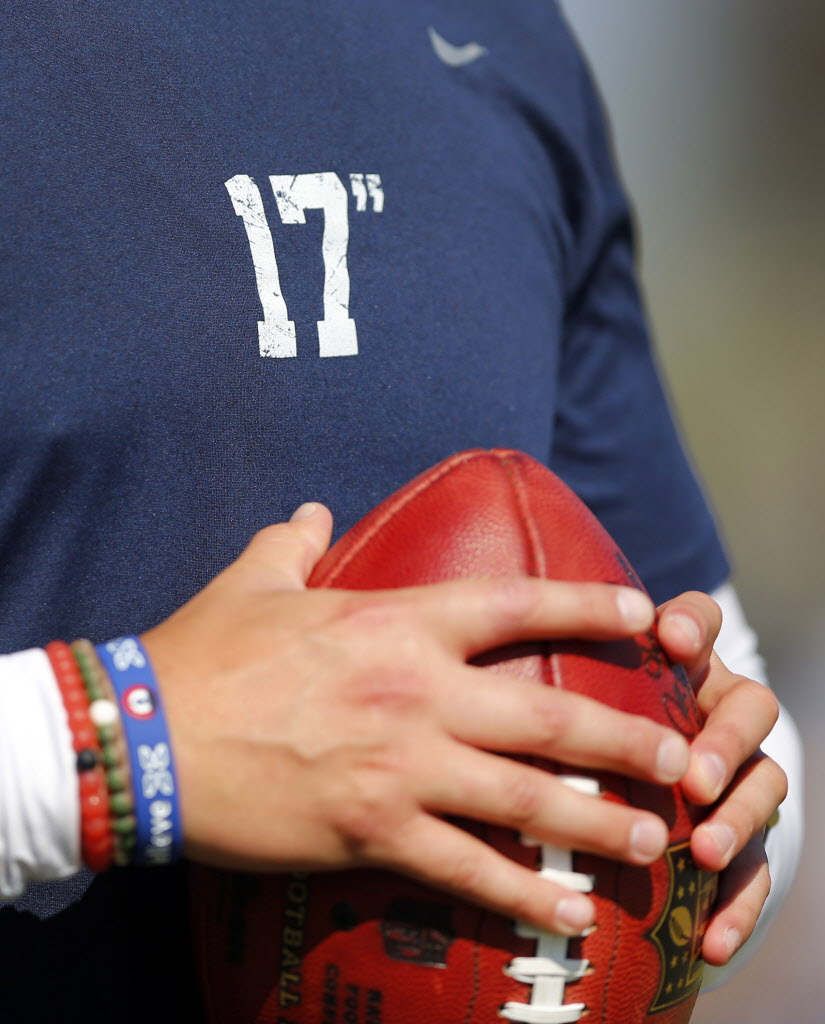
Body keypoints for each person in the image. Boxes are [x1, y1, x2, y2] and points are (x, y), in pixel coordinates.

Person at [0, 2, 800, 1020]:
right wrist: (121, 744)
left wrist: (703, 797)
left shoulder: (505, 35)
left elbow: (742, 703)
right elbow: (121, 745)